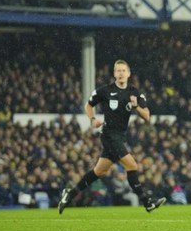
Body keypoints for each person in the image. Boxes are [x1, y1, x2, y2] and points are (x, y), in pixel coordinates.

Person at [58, 59, 166, 214]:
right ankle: (147, 202)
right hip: (109, 135)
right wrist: (93, 119)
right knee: (132, 165)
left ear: (129, 74)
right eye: (118, 70)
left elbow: (147, 116)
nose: (121, 73)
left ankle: (70, 194)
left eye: (123, 70)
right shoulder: (105, 91)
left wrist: (136, 107)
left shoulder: (135, 93)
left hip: (120, 136)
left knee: (99, 172)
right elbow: (89, 105)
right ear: (114, 73)